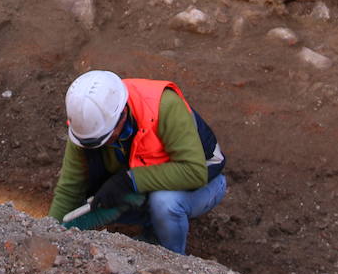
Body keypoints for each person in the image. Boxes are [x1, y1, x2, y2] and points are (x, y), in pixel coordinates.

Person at [48, 70, 226, 254]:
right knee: (102, 200)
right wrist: (48, 233)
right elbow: (69, 189)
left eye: (105, 138)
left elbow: (194, 172)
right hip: (150, 183)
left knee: (165, 202)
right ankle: (152, 234)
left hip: (205, 182)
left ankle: (172, 259)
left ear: (122, 115)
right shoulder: (87, 127)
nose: (98, 145)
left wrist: (130, 180)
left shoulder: (163, 107)